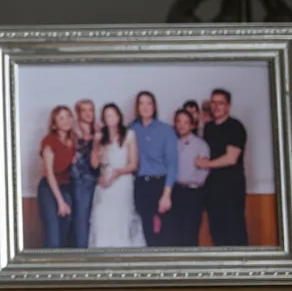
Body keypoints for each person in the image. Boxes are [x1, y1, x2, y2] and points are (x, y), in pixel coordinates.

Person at [87, 103, 146, 248]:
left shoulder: (129, 135)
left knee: (120, 220)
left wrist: (117, 173)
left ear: (119, 116)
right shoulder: (102, 138)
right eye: (107, 115)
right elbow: (94, 164)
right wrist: (95, 142)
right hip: (104, 185)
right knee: (100, 219)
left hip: (122, 182)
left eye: (112, 114)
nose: (110, 118)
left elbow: (133, 164)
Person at [197, 88, 249, 246]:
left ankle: (241, 269)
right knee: (216, 231)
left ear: (228, 106)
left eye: (220, 103)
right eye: (213, 102)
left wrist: (207, 164)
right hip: (212, 188)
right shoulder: (208, 128)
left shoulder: (235, 126)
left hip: (231, 188)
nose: (216, 106)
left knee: (233, 230)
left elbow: (231, 158)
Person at [127, 90, 178, 247]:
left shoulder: (166, 130)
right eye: (141, 103)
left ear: (154, 106)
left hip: (160, 184)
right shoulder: (131, 129)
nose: (145, 107)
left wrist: (166, 194)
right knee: (145, 231)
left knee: (165, 232)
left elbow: (172, 164)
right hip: (141, 184)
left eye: (148, 103)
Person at [37, 105, 78, 248]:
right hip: (49, 188)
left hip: (66, 187)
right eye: (61, 118)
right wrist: (60, 202)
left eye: (68, 116)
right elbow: (49, 173)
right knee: (53, 234)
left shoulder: (73, 140)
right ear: (54, 125)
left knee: (64, 232)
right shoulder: (49, 141)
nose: (66, 120)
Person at [170, 108, 210, 247]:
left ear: (192, 125)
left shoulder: (200, 145)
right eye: (178, 121)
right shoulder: (172, 143)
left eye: (186, 122)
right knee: (174, 234)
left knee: (190, 235)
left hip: (193, 194)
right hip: (175, 192)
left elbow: (204, 171)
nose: (181, 125)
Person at [68, 99, 100, 248]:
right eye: (84, 110)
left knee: (95, 217)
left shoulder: (98, 131)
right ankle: (82, 252)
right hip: (81, 181)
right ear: (78, 113)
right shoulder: (73, 133)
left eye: (91, 110)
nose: (88, 114)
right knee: (81, 217)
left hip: (98, 181)